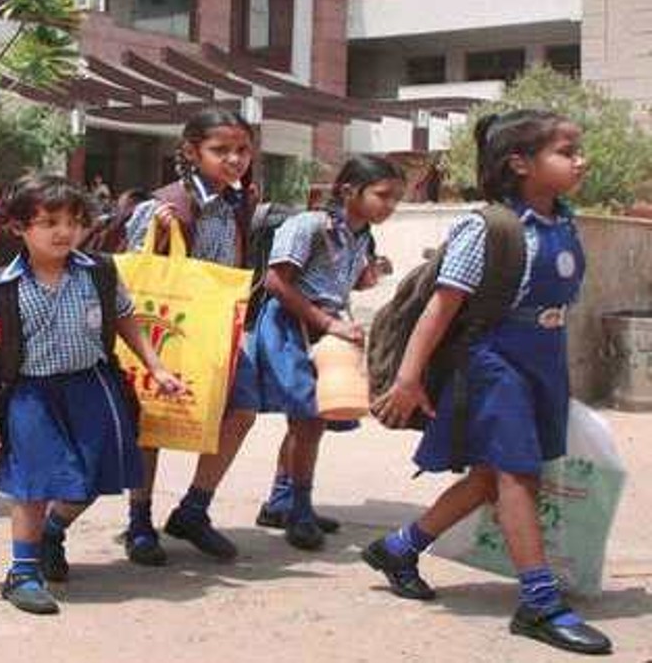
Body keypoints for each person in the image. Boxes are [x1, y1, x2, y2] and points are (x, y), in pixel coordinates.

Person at [368, 110, 612, 655]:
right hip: (495, 362)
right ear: (520, 164)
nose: (581, 161)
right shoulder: (488, 228)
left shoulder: (563, 222)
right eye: (566, 152)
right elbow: (440, 308)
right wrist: (407, 380)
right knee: (517, 475)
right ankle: (540, 604)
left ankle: (399, 548)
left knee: (487, 479)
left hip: (544, 361)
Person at [0, 175, 184, 615]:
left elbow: (126, 320)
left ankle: (52, 532)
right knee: (33, 483)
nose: (64, 232)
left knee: (90, 477)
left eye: (73, 221)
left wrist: (157, 367)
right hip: (30, 395)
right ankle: (23, 573)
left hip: (91, 387)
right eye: (49, 222)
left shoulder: (100, 273)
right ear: (19, 227)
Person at [237, 155, 404, 551]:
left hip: (324, 330)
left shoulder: (361, 236)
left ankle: (281, 502)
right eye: (383, 195)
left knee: (308, 421)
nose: (390, 206)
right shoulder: (308, 225)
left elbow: (344, 280)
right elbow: (277, 282)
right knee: (309, 420)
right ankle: (299, 511)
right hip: (291, 325)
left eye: (396, 199)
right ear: (349, 191)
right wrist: (328, 323)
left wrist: (366, 276)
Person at [120, 108, 257, 565]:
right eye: (221, 150)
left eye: (242, 149)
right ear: (191, 152)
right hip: (165, 328)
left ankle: (193, 510)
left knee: (241, 411)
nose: (234, 159)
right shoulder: (163, 205)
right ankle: (139, 521)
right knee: (151, 422)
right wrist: (160, 232)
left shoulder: (237, 201)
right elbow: (133, 271)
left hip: (217, 329)